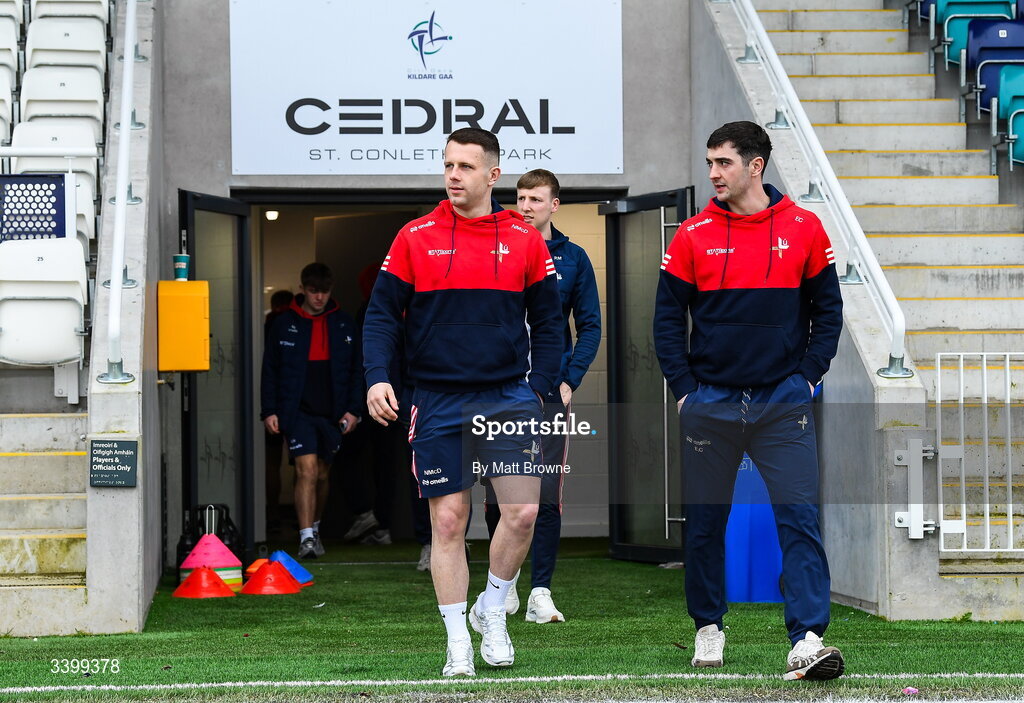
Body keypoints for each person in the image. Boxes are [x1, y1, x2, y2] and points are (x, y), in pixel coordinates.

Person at [362, 127, 562, 677]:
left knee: (522, 512)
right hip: (438, 399)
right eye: (448, 164)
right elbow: (380, 316)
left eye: (466, 167)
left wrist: (540, 387)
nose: (453, 175)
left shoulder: (524, 238)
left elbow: (549, 322)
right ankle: (457, 645)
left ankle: (492, 609)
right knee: (448, 523)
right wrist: (378, 376)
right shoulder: (414, 237)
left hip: (507, 397)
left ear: (492, 176)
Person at [653, 121, 845, 681]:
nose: (713, 173)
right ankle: (708, 626)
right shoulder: (691, 234)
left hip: (783, 403)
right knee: (707, 523)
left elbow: (827, 315)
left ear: (755, 166)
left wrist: (808, 378)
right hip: (709, 402)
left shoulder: (806, 228)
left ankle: (807, 638)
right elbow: (668, 321)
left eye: (723, 163)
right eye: (710, 162)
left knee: (800, 519)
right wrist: (685, 391)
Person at [483, 169, 601, 624]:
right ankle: (505, 584)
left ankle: (540, 592)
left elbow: (589, 325)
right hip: (500, 392)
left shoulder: (574, 259)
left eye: (535, 199)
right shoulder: (497, 246)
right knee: (499, 495)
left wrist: (570, 378)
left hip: (550, 393)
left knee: (547, 492)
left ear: (555, 204)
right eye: (521, 197)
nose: (526, 205)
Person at [261, 263, 362, 559]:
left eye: (324, 291)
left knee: (320, 473)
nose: (319, 297)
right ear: (303, 289)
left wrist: (354, 410)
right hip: (297, 411)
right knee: (305, 470)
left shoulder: (343, 323)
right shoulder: (283, 323)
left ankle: (314, 530)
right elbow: (270, 370)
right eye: (314, 291)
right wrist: (269, 410)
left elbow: (358, 370)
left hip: (333, 412)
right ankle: (306, 538)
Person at [263, 289, 294, 532]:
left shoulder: (269, 323)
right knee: (301, 465)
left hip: (276, 402)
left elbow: (267, 367)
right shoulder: (289, 323)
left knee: (272, 464)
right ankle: (293, 513)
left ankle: (272, 512)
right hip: (294, 402)